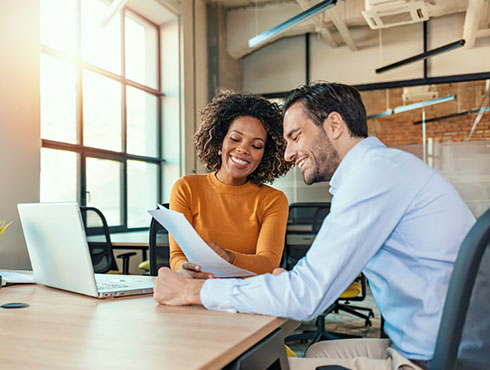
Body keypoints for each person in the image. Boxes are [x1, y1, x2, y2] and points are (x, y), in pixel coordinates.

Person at [154, 83, 475, 370]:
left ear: (334, 125)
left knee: (264, 365)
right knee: (315, 353)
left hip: (436, 358)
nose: (289, 153)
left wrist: (196, 290)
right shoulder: (381, 168)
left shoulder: (374, 176)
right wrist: (289, 281)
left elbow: (308, 297)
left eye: (295, 136)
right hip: (433, 343)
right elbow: (309, 281)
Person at [169, 90, 291, 278]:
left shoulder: (273, 200)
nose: (243, 149)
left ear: (265, 155)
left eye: (256, 145)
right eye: (235, 139)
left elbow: (268, 263)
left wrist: (229, 257)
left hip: (247, 295)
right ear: (220, 142)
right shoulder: (186, 188)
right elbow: (177, 256)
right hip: (197, 289)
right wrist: (185, 268)